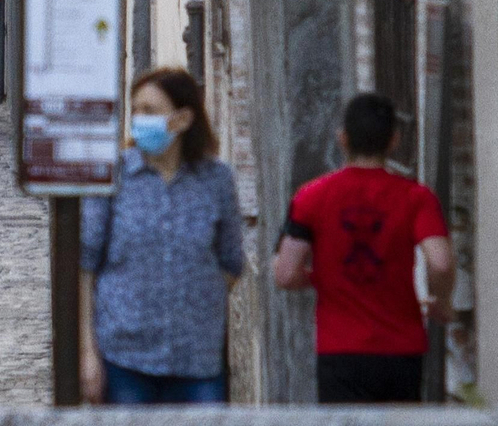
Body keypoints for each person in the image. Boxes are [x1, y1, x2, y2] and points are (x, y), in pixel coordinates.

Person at [274, 93, 455, 404]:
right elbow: (440, 263)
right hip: (402, 349)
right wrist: (440, 300)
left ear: (343, 139)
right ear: (394, 140)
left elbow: (286, 274)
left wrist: (320, 278)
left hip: (339, 350)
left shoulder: (311, 197)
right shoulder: (417, 197)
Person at [81, 68, 243, 405]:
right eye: (136, 110)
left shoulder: (216, 180)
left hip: (197, 359)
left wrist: (190, 296)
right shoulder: (115, 176)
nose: (139, 120)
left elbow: (231, 262)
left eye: (150, 111)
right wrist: (87, 353)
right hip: (125, 356)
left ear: (183, 119)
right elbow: (85, 266)